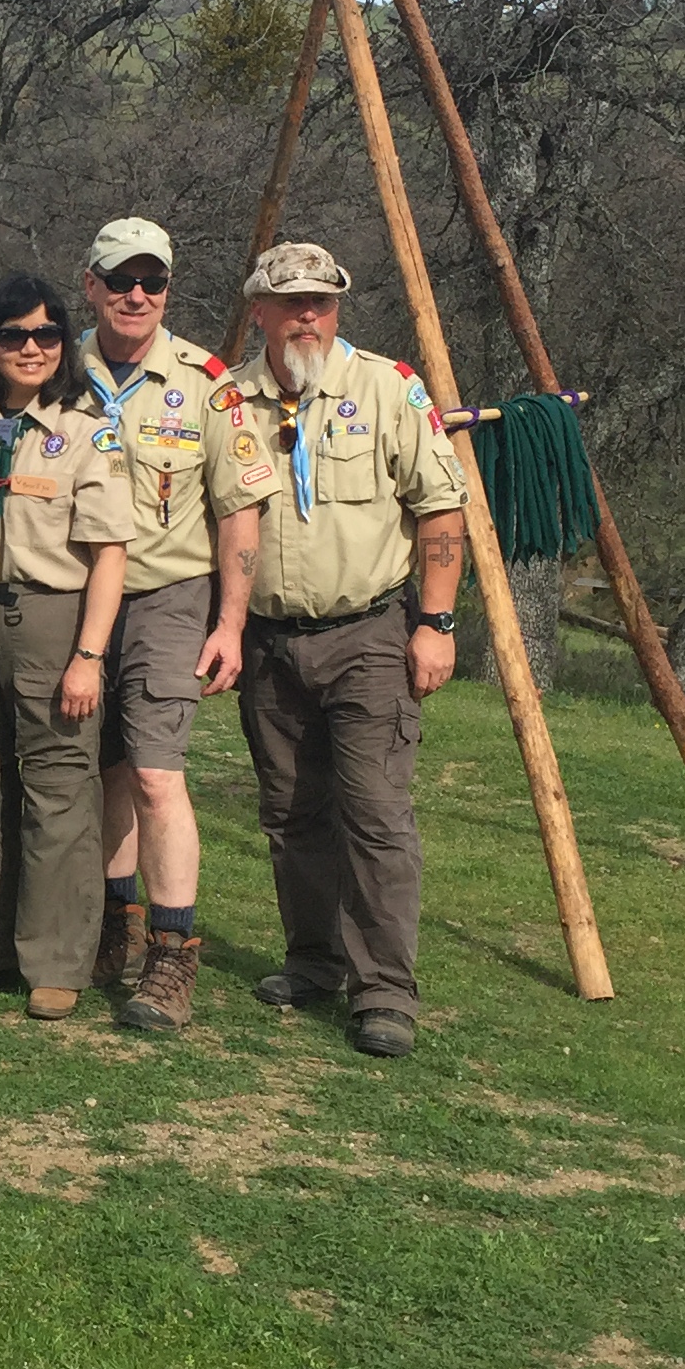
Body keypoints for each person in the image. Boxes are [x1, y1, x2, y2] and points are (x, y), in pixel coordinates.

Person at [193, 240, 469, 1061]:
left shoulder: (387, 389)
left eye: (321, 301)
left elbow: (441, 509)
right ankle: (313, 960)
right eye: (291, 302)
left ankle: (384, 992)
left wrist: (437, 623)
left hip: (369, 634)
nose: (307, 315)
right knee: (290, 812)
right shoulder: (227, 400)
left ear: (338, 308)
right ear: (260, 311)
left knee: (375, 814)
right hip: (271, 640)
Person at [0, 274, 132, 1020]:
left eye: (46, 334)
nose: (31, 348)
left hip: (51, 622)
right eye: (13, 334)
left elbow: (109, 554)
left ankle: (56, 959)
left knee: (58, 789)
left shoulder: (85, 431)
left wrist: (89, 657)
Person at [74, 217, 229, 1034]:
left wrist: (230, 622)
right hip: (75, 594)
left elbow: (240, 508)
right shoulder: (55, 366)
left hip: (168, 592)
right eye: (120, 280)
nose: (137, 295)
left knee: (158, 774)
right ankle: (114, 923)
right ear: (91, 286)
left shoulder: (204, 381)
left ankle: (173, 953)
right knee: (103, 770)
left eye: (153, 281)